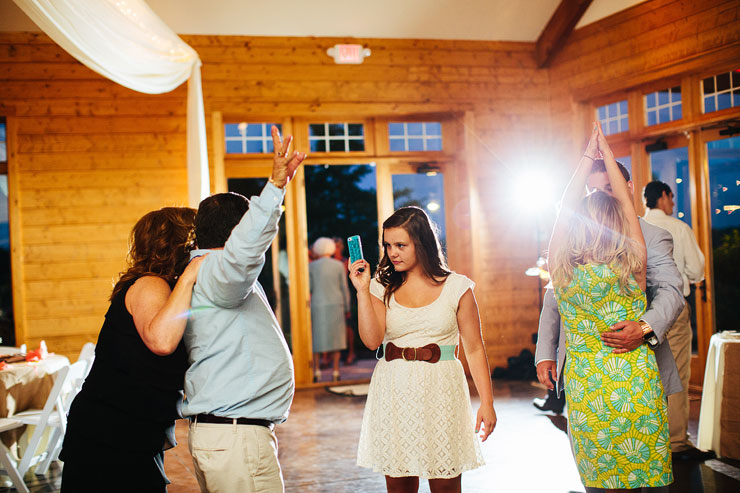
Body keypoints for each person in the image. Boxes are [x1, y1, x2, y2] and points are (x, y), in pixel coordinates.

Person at [547, 122, 673, 491]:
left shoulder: (562, 271)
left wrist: (588, 157)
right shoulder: (633, 265)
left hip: (588, 390)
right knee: (648, 480)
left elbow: (562, 211)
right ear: (618, 220)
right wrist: (609, 157)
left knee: (601, 483)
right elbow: (627, 205)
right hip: (636, 385)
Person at [182, 126, 306, 493]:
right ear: (238, 231)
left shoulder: (199, 275)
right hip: (236, 440)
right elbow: (244, 250)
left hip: (227, 435)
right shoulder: (218, 272)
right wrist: (275, 188)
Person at [350, 206, 496, 493]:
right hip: (394, 389)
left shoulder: (457, 287)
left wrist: (487, 402)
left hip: (442, 390)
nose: (393, 253)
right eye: (388, 245)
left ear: (422, 243)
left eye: (401, 245)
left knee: (445, 483)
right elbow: (371, 340)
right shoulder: (380, 286)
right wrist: (362, 291)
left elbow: (475, 348)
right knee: (400, 484)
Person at [60, 207, 206, 492]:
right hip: (111, 431)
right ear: (179, 245)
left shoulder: (164, 288)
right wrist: (189, 277)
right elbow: (162, 342)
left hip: (127, 427)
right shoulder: (150, 284)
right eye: (196, 243)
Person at [643, 180, 712, 461]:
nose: (672, 203)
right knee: (677, 373)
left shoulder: (636, 226)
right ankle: (675, 442)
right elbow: (696, 270)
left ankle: (648, 440)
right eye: (671, 197)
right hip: (673, 308)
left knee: (648, 374)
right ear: (663, 197)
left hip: (642, 312)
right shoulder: (679, 228)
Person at [310, 236, 351, 382]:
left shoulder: (312, 266)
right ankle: (335, 371)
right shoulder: (338, 265)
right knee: (336, 339)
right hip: (336, 304)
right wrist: (347, 306)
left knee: (316, 338)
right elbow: (344, 287)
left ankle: (316, 371)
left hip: (318, 304)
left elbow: (309, 287)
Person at [333, 236, 357, 365]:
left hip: (345, 294)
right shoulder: (330, 262)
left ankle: (351, 353)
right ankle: (330, 357)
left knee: (348, 325)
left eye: (337, 246)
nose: (335, 249)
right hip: (333, 295)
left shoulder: (344, 261)